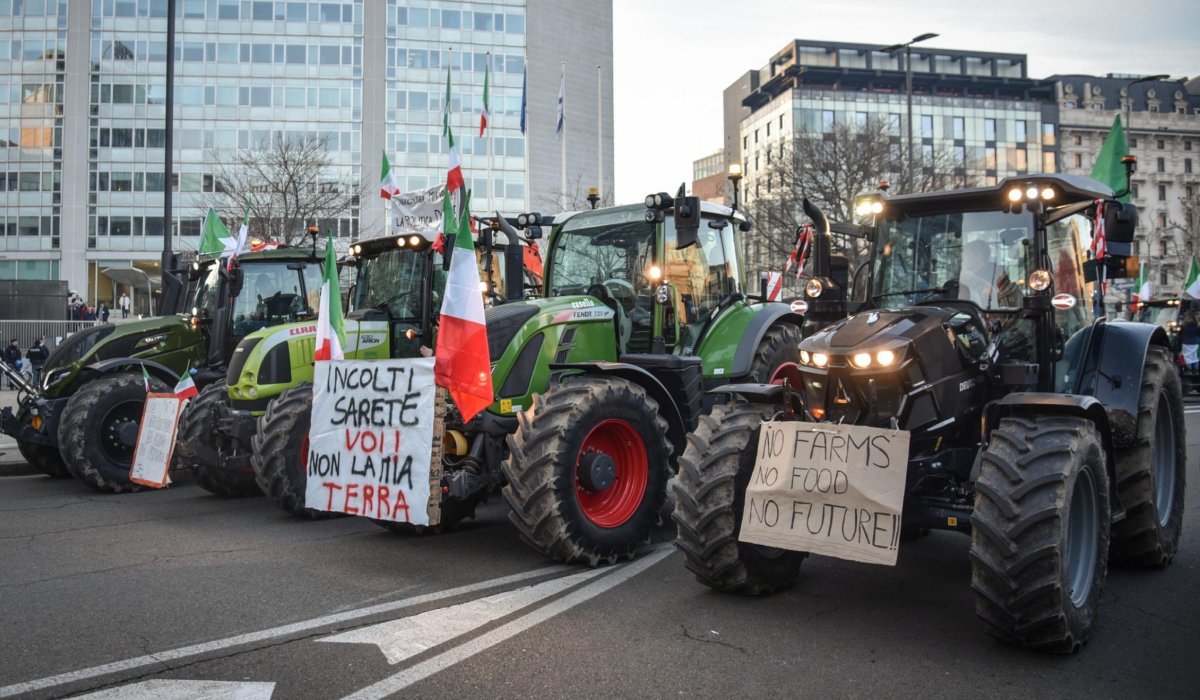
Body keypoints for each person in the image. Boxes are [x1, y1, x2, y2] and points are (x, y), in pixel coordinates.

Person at [959, 239, 1020, 308]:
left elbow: (995, 298)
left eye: (967, 255)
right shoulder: (962, 274)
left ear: (979, 257)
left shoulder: (997, 275)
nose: (963, 259)